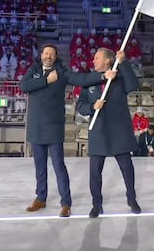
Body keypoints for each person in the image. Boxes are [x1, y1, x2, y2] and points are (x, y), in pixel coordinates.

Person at [19, 44, 108, 218]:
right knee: (39, 166)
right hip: (36, 127)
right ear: (42, 55)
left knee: (59, 166)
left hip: (53, 126)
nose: (48, 56)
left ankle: (66, 203)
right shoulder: (34, 70)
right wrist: (46, 81)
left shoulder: (62, 71)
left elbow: (81, 80)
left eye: (51, 54)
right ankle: (41, 197)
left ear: (56, 56)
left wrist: (103, 76)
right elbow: (24, 86)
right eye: (46, 53)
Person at [76, 48, 142, 218]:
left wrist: (124, 63)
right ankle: (96, 204)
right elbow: (80, 106)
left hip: (119, 130)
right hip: (98, 131)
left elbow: (133, 85)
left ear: (107, 61)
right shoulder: (91, 80)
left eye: (97, 57)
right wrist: (92, 107)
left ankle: (132, 198)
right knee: (95, 172)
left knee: (127, 168)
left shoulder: (119, 77)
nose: (93, 60)